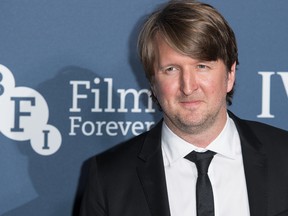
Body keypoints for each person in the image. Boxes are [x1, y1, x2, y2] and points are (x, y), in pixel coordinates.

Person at [80, 1, 288, 216]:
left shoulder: (284, 157)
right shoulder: (108, 179)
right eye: (171, 69)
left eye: (202, 66)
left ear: (230, 74)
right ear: (152, 82)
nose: (188, 87)